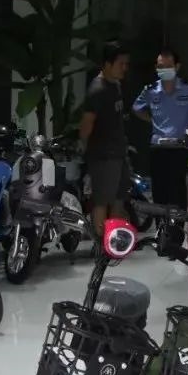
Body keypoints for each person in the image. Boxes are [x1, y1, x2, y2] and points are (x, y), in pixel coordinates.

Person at [132, 46, 188, 208]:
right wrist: (152, 120)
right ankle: (161, 223)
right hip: (158, 146)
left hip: (180, 146)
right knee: (159, 190)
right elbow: (137, 108)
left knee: (177, 189)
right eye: (160, 66)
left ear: (177, 67)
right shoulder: (151, 90)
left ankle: (178, 223)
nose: (164, 69)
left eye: (168, 66)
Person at [78, 40, 131, 235]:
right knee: (102, 200)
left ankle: (114, 239)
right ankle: (100, 242)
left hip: (119, 153)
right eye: (120, 64)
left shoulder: (115, 85)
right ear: (107, 64)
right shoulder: (97, 89)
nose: (124, 68)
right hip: (103, 155)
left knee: (119, 198)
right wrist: (85, 147)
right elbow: (86, 124)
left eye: (126, 64)